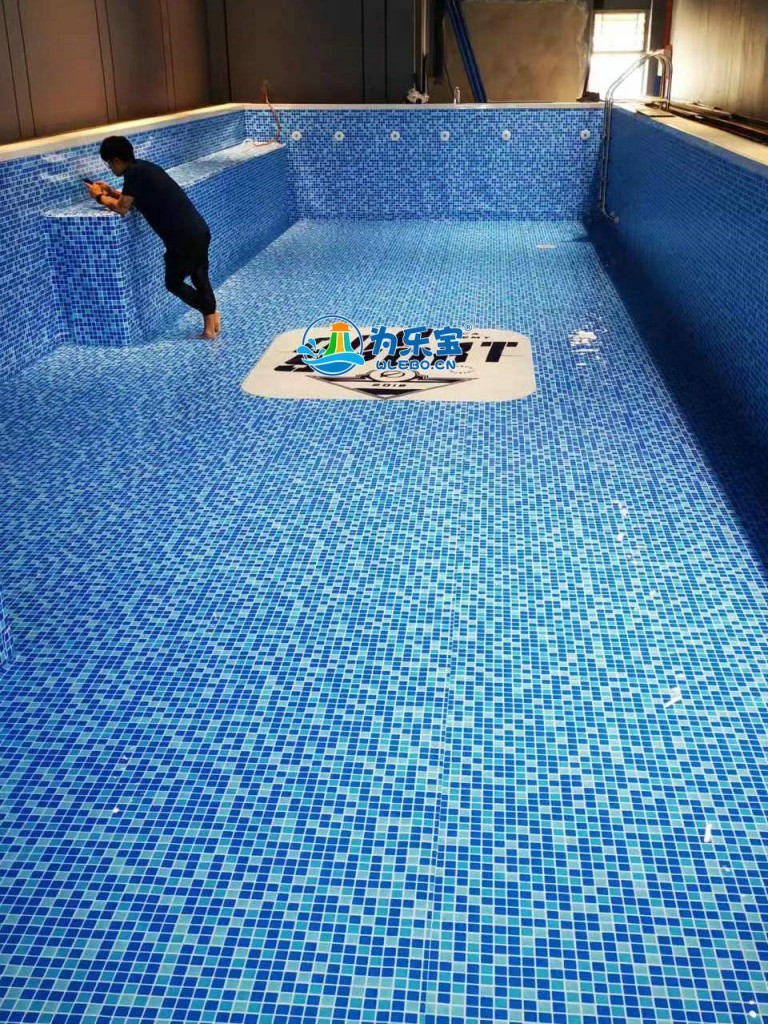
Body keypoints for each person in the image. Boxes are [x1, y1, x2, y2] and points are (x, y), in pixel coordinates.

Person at [86, 136, 221, 340]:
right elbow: (132, 199)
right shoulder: (144, 168)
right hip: (198, 230)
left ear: (116, 160)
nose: (110, 169)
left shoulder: (133, 174)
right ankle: (210, 327)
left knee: (173, 282)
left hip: (182, 238)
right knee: (199, 275)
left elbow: (122, 208)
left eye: (109, 164)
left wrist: (98, 196)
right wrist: (111, 191)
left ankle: (211, 314)